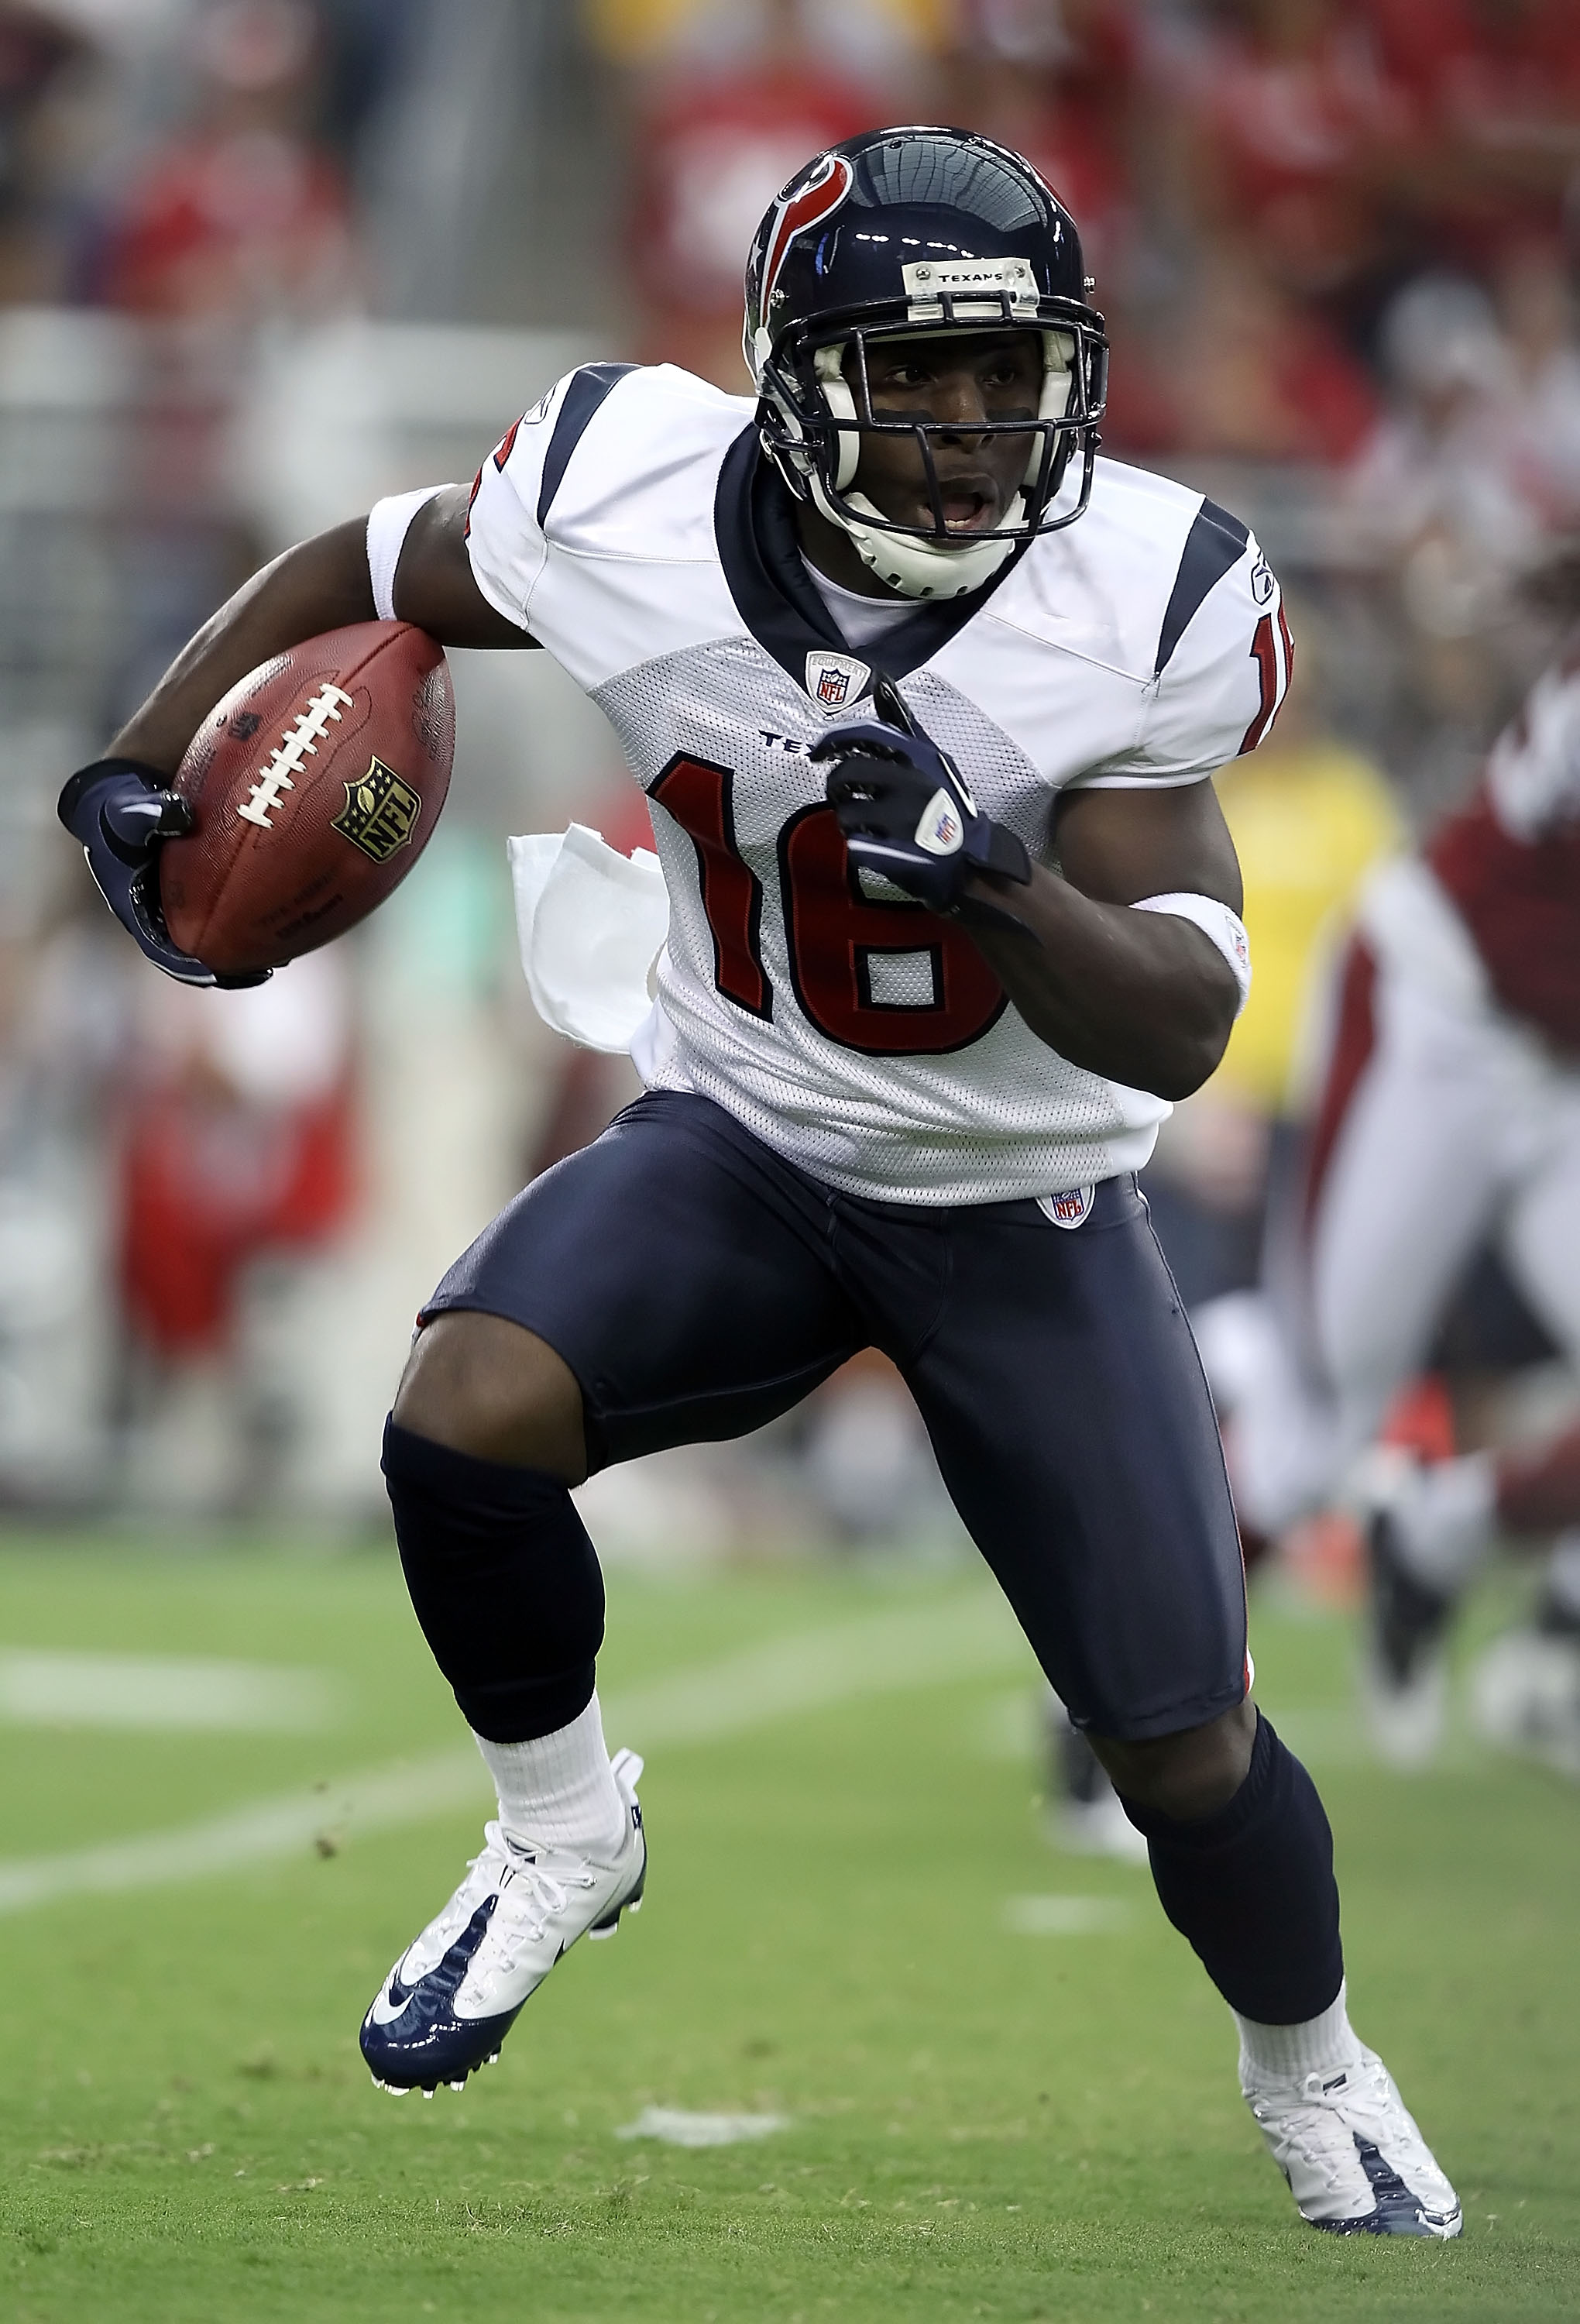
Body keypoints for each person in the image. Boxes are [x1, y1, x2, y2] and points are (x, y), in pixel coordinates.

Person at [57, 125, 1459, 2238]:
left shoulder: (1142, 598)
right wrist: (157, 750)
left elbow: (1177, 1019)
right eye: (927, 374)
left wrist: (995, 876)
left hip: (1024, 1207)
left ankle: (1315, 2063)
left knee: (1180, 1744)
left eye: (1019, 378)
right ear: (798, 373)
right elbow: (378, 565)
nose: (985, 432)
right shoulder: (621, 493)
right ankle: (559, 1835)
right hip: (753, 1131)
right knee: (461, 1418)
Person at [1214, 617, 1580, 1771]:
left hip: (1559, 1060)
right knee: (1327, 1412)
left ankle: (1449, 1536)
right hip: (1445, 1021)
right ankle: (1127, 1702)